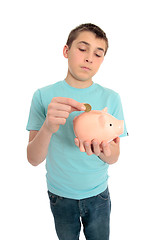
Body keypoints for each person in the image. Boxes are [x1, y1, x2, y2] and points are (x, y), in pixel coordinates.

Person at [26, 23, 128, 240]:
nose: (89, 58)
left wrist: (102, 150)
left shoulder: (111, 98)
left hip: (98, 194)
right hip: (60, 195)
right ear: (66, 51)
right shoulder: (43, 96)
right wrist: (48, 127)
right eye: (82, 49)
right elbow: (33, 159)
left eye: (98, 54)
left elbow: (114, 157)